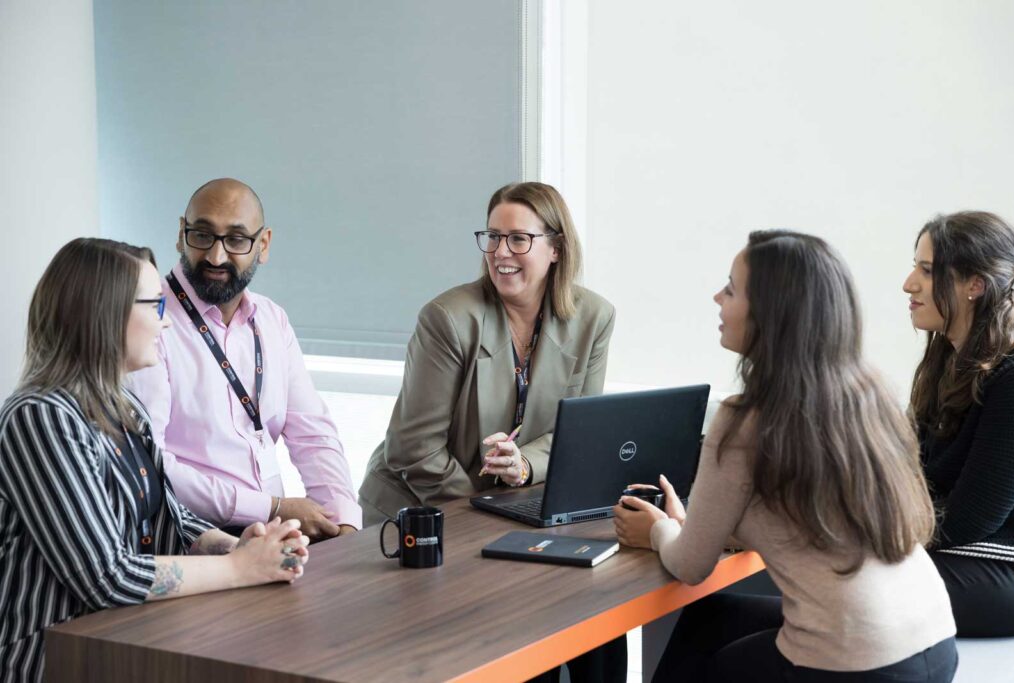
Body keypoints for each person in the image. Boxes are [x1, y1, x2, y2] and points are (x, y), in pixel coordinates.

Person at [615, 231, 957, 682]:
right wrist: (692, 526)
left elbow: (690, 566)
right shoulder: (867, 396)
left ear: (769, 315)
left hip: (858, 663)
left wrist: (659, 530)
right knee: (709, 621)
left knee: (709, 662)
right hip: (933, 640)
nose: (717, 297)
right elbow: (800, 522)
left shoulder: (745, 419)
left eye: (731, 289)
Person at [0, 238, 310, 682]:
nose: (166, 325)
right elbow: (107, 576)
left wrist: (238, 546)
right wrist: (238, 569)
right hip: (50, 662)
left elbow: (170, 520)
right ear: (105, 314)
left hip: (129, 646)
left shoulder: (124, 407)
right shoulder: (41, 418)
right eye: (156, 306)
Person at [358, 181, 622, 682]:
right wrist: (490, 511)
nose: (501, 253)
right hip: (421, 505)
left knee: (593, 622)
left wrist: (525, 467)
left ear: (556, 247)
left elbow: (578, 430)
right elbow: (414, 450)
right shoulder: (450, 319)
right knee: (503, 637)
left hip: (507, 508)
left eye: (518, 239)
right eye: (492, 237)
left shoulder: (593, 317)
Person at [129, 178, 360, 542]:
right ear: (180, 234)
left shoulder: (272, 319)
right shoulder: (148, 319)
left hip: (272, 535)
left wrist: (343, 521)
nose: (216, 257)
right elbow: (150, 464)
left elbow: (312, 433)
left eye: (236, 240)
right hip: (186, 537)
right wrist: (271, 508)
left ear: (263, 244)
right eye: (202, 235)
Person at [903, 211, 1014, 637]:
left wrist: (868, 538)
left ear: (975, 285)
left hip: (1009, 563)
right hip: (967, 551)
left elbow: (971, 520)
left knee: (849, 579)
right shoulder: (945, 361)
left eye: (928, 271)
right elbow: (910, 476)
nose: (909, 284)